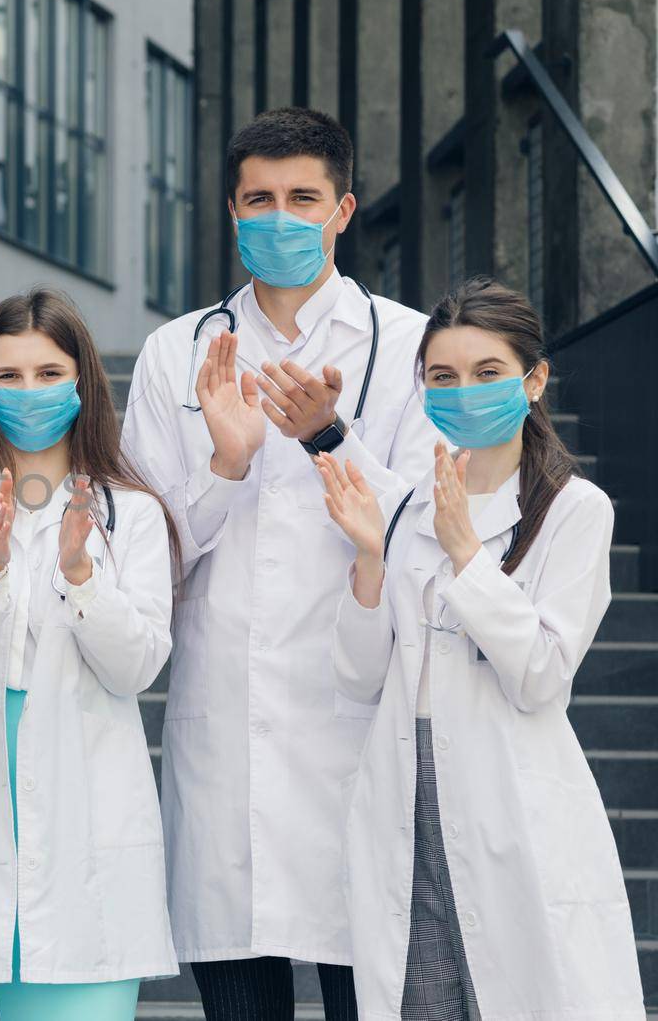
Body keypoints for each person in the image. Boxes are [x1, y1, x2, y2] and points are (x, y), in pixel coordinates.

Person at [122, 107, 442, 1019]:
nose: (281, 217)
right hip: (226, 734)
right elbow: (149, 553)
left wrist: (324, 436)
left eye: (304, 198)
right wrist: (225, 465)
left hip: (359, 723)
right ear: (231, 209)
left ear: (344, 209)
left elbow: (428, 532)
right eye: (259, 198)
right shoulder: (175, 352)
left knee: (370, 993)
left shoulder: (412, 347)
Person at [317, 278, 644, 1020]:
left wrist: (466, 555)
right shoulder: (407, 506)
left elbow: (540, 674)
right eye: (443, 377)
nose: (463, 392)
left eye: (486, 372)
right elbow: (360, 677)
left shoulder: (574, 509)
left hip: (513, 803)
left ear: (534, 379)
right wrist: (370, 559)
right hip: (407, 796)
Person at [0, 288, 180, 1020]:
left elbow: (136, 667)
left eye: (47, 371)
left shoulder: (129, 513)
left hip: (89, 840)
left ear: (82, 381)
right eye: (7, 375)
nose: (28, 391)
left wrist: (79, 575)